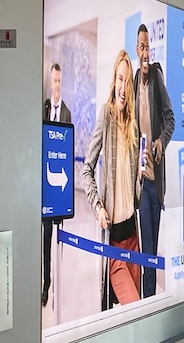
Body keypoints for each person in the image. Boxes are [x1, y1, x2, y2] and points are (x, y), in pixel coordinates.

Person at [82, 49, 143, 308]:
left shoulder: (133, 126)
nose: (122, 87)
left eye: (127, 81)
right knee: (133, 305)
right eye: (119, 79)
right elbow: (86, 169)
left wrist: (143, 176)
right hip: (114, 242)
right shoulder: (105, 117)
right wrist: (97, 208)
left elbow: (135, 195)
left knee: (133, 312)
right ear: (114, 81)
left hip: (133, 236)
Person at [133, 23, 175, 298]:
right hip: (139, 180)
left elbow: (171, 119)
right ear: (137, 50)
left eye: (149, 46)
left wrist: (161, 142)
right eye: (142, 46)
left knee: (151, 250)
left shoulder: (157, 76)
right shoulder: (135, 80)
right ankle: (146, 307)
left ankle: (148, 307)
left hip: (154, 182)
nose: (146, 51)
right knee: (145, 252)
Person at [42, 62, 72, 307]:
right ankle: (44, 282)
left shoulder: (67, 114)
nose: (57, 85)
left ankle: (53, 284)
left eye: (60, 81)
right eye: (54, 81)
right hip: (44, 187)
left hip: (59, 188)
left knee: (55, 237)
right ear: (50, 82)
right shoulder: (43, 109)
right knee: (44, 238)